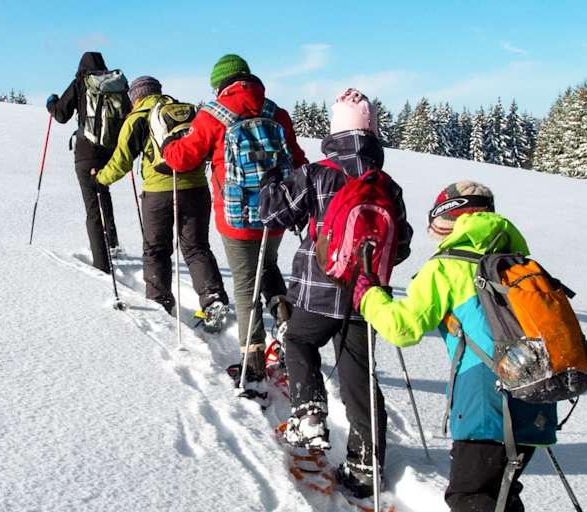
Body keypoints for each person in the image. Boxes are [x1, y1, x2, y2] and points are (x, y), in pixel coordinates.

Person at [354, 182, 558, 512]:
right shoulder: (520, 263)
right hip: (537, 396)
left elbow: (402, 328)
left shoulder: (446, 266)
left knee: (471, 498)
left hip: (485, 398)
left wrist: (369, 296)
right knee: (501, 496)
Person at [258, 88, 412, 499]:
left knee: (299, 340)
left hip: (319, 290)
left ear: (336, 131)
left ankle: (309, 412)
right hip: (367, 295)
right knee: (358, 376)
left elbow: (273, 213)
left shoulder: (317, 174)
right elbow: (402, 244)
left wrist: (271, 182)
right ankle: (366, 466)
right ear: (372, 132)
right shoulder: (387, 184)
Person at [161, 54, 307, 374]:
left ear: (220, 85)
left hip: (237, 217)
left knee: (244, 283)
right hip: (276, 213)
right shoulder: (277, 113)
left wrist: (168, 145)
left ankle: (252, 361)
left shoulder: (213, 114)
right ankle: (285, 321)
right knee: (267, 266)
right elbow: (298, 160)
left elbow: (183, 158)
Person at [94, 76, 229, 316]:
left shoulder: (137, 118)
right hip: (196, 189)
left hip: (158, 194)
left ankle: (160, 303)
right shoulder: (185, 112)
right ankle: (213, 298)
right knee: (197, 247)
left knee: (156, 249)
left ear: (136, 97)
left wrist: (100, 179)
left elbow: (121, 161)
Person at [46, 52, 126, 272]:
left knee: (92, 206)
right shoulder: (114, 85)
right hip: (110, 152)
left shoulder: (81, 83)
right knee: (103, 193)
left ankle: (101, 263)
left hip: (86, 152)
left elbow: (61, 114)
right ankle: (112, 244)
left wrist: (51, 103)